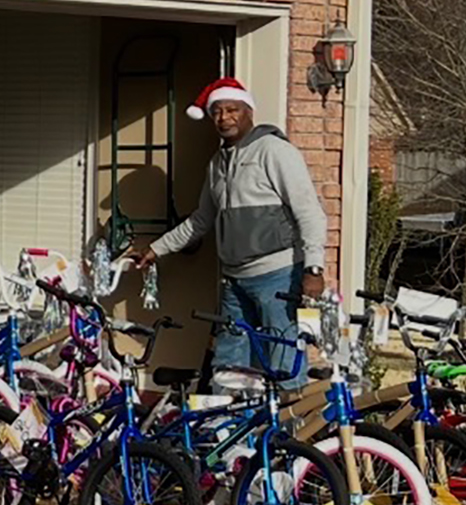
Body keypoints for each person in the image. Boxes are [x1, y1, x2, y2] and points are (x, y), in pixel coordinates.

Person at [127, 76, 327, 384]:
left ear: (249, 111)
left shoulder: (274, 151)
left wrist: (314, 269)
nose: (224, 118)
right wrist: (156, 249)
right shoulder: (217, 164)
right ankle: (226, 415)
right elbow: (200, 220)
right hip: (234, 280)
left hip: (278, 276)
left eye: (232, 110)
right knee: (229, 362)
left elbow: (309, 211)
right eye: (217, 112)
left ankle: (288, 415)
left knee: (283, 359)